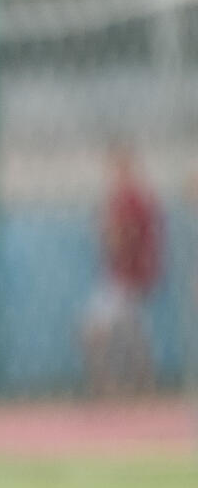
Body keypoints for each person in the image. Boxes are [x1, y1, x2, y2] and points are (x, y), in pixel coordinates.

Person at [82, 141, 162, 397]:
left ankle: (107, 388)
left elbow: (121, 237)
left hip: (125, 276)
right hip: (130, 275)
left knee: (93, 332)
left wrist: (105, 230)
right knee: (132, 335)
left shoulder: (129, 199)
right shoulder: (137, 197)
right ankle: (142, 386)